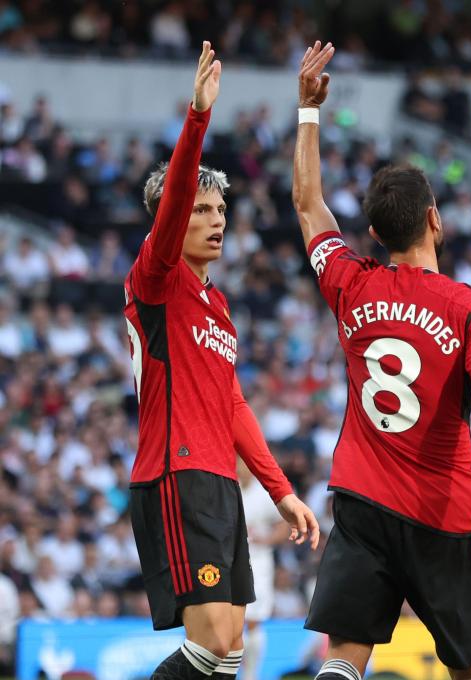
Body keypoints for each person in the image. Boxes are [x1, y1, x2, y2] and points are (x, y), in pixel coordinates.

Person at [292, 41, 471, 680]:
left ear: (376, 235)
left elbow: (309, 206)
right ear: (434, 220)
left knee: (343, 660)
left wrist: (308, 113)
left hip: (361, 499)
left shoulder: (350, 283)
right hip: (445, 513)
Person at [123, 42, 320, 680]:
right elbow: (177, 192)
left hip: (218, 481)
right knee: (209, 646)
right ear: (170, 222)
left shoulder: (218, 306)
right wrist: (198, 118)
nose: (218, 220)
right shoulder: (156, 278)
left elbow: (233, 404)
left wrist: (281, 491)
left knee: (232, 649)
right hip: (176, 475)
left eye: (222, 210)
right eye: (203, 210)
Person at [238, 460, 290, 680]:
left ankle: (251, 675)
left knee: (253, 620)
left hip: (258, 562)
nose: (242, 467)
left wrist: (267, 539)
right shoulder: (228, 487)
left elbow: (284, 524)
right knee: (230, 622)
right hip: (229, 561)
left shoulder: (265, 492)